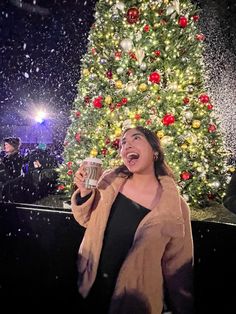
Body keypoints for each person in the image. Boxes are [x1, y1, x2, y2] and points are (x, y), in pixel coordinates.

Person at [71, 126, 194, 314]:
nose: (126, 146)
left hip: (135, 303)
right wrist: (86, 192)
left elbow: (178, 267)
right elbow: (86, 219)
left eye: (136, 139)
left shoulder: (175, 207)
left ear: (154, 151)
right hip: (90, 288)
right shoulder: (110, 181)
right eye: (122, 143)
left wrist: (182, 307)